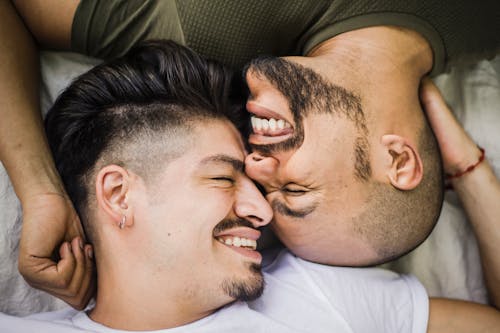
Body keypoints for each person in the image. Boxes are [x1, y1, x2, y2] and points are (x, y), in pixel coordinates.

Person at [2, 0, 499, 306]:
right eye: (297, 190)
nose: (257, 166)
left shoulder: (183, 29)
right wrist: (468, 163)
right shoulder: (485, 26)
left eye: (263, 189)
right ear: (399, 160)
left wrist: (40, 191)